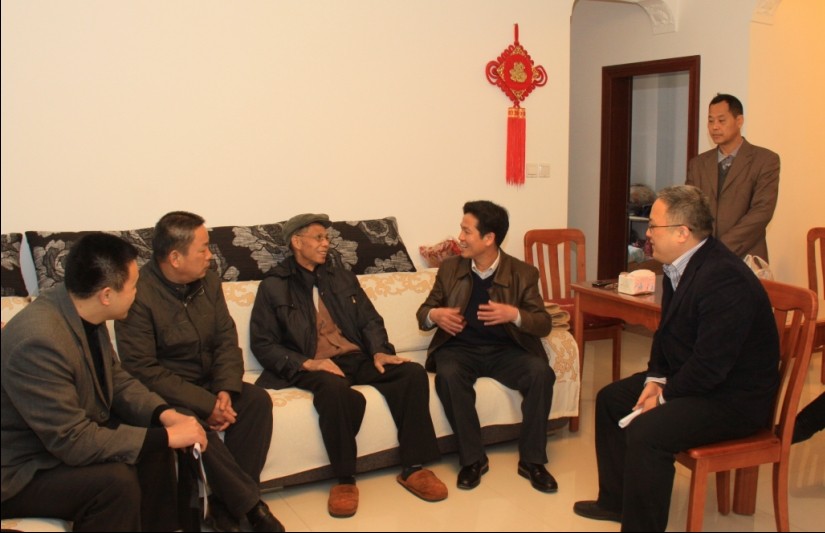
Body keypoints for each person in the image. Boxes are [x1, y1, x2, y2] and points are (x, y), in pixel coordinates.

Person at [573, 185, 780, 531]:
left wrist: (664, 397)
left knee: (648, 431)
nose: (648, 233)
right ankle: (615, 503)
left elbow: (711, 365)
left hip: (733, 399)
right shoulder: (677, 266)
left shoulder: (724, 278)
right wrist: (655, 379)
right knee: (611, 400)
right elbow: (666, 334)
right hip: (699, 381)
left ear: (682, 233)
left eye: (654, 226)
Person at [1, 233, 208, 531]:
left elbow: (116, 379)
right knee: (115, 483)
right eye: (134, 286)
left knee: (155, 446)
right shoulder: (38, 341)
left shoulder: (82, 309)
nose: (137, 293)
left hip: (56, 443)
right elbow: (71, 440)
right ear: (107, 295)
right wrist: (166, 436)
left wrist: (164, 415)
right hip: (22, 468)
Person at [249, 213, 447, 519]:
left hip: (355, 356)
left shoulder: (341, 276)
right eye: (318, 237)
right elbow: (263, 343)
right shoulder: (274, 286)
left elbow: (369, 320)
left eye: (327, 238)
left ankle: (413, 467)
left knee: (411, 373)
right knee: (334, 391)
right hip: (311, 364)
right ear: (297, 242)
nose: (326, 243)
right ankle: (344, 479)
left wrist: (379, 351)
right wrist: (308, 362)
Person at [115, 211, 284, 533]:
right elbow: (142, 369)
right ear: (175, 258)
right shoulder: (139, 293)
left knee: (256, 401)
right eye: (203, 249)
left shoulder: (209, 280)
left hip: (210, 382)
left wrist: (225, 389)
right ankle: (251, 507)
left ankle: (223, 507)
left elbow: (225, 338)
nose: (210, 256)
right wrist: (207, 405)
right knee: (191, 424)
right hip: (166, 392)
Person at [416, 200, 558, 493]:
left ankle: (532, 461)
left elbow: (543, 323)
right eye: (461, 229)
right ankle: (473, 459)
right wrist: (436, 315)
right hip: (459, 349)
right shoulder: (450, 268)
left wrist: (514, 315)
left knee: (541, 373)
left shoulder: (523, 273)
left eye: (467, 231)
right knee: (449, 376)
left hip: (506, 351)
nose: (460, 237)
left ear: (489, 238)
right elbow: (423, 313)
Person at [686, 93, 780, 261]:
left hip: (746, 257)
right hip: (704, 257)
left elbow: (762, 212)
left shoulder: (765, 160)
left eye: (721, 121)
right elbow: (689, 209)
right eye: (710, 121)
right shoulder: (698, 164)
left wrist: (719, 248)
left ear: (739, 121)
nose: (715, 127)